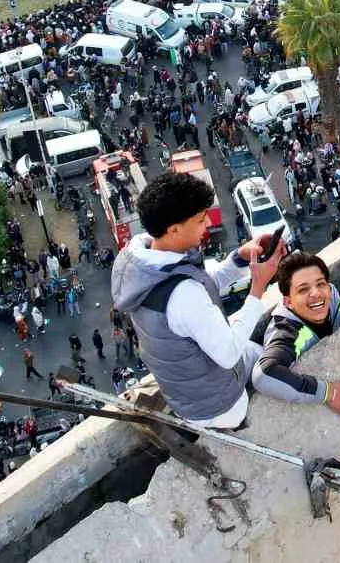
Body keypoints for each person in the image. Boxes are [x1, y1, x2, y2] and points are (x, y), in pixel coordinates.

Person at [111, 171, 281, 428]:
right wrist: (257, 288)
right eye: (200, 220)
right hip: (220, 406)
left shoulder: (141, 259)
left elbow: (203, 282)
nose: (207, 225)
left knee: (256, 352)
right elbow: (227, 355)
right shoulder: (184, 295)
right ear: (174, 229)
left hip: (187, 394)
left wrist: (239, 258)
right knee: (273, 359)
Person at [251, 252, 340, 418]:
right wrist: (329, 393)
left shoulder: (332, 296)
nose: (316, 293)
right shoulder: (286, 331)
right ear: (288, 301)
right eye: (303, 289)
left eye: (320, 284)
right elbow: (263, 374)